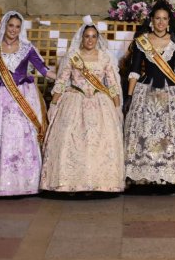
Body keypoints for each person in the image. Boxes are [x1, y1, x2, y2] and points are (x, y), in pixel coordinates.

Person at [41, 16, 124, 192]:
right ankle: (68, 182)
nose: (90, 40)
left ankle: (101, 182)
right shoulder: (73, 57)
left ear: (97, 39)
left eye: (94, 36)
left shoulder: (105, 58)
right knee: (71, 142)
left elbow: (113, 85)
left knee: (100, 143)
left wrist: (117, 107)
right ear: (82, 37)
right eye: (87, 36)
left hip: (100, 103)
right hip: (74, 101)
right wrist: (54, 104)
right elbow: (62, 82)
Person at [0, 11, 49, 197]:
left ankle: (24, 183)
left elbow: (44, 71)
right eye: (10, 25)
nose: (13, 29)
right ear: (4, 26)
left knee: (22, 137)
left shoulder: (27, 48)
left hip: (22, 96)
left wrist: (65, 79)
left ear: (20, 29)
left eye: (17, 26)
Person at [124, 0, 175, 185]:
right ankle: (147, 174)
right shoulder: (142, 41)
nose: (161, 22)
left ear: (169, 21)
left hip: (170, 91)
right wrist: (130, 96)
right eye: (157, 18)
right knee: (147, 130)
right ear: (152, 20)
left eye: (164, 19)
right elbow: (134, 70)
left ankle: (168, 174)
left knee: (169, 131)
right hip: (146, 89)